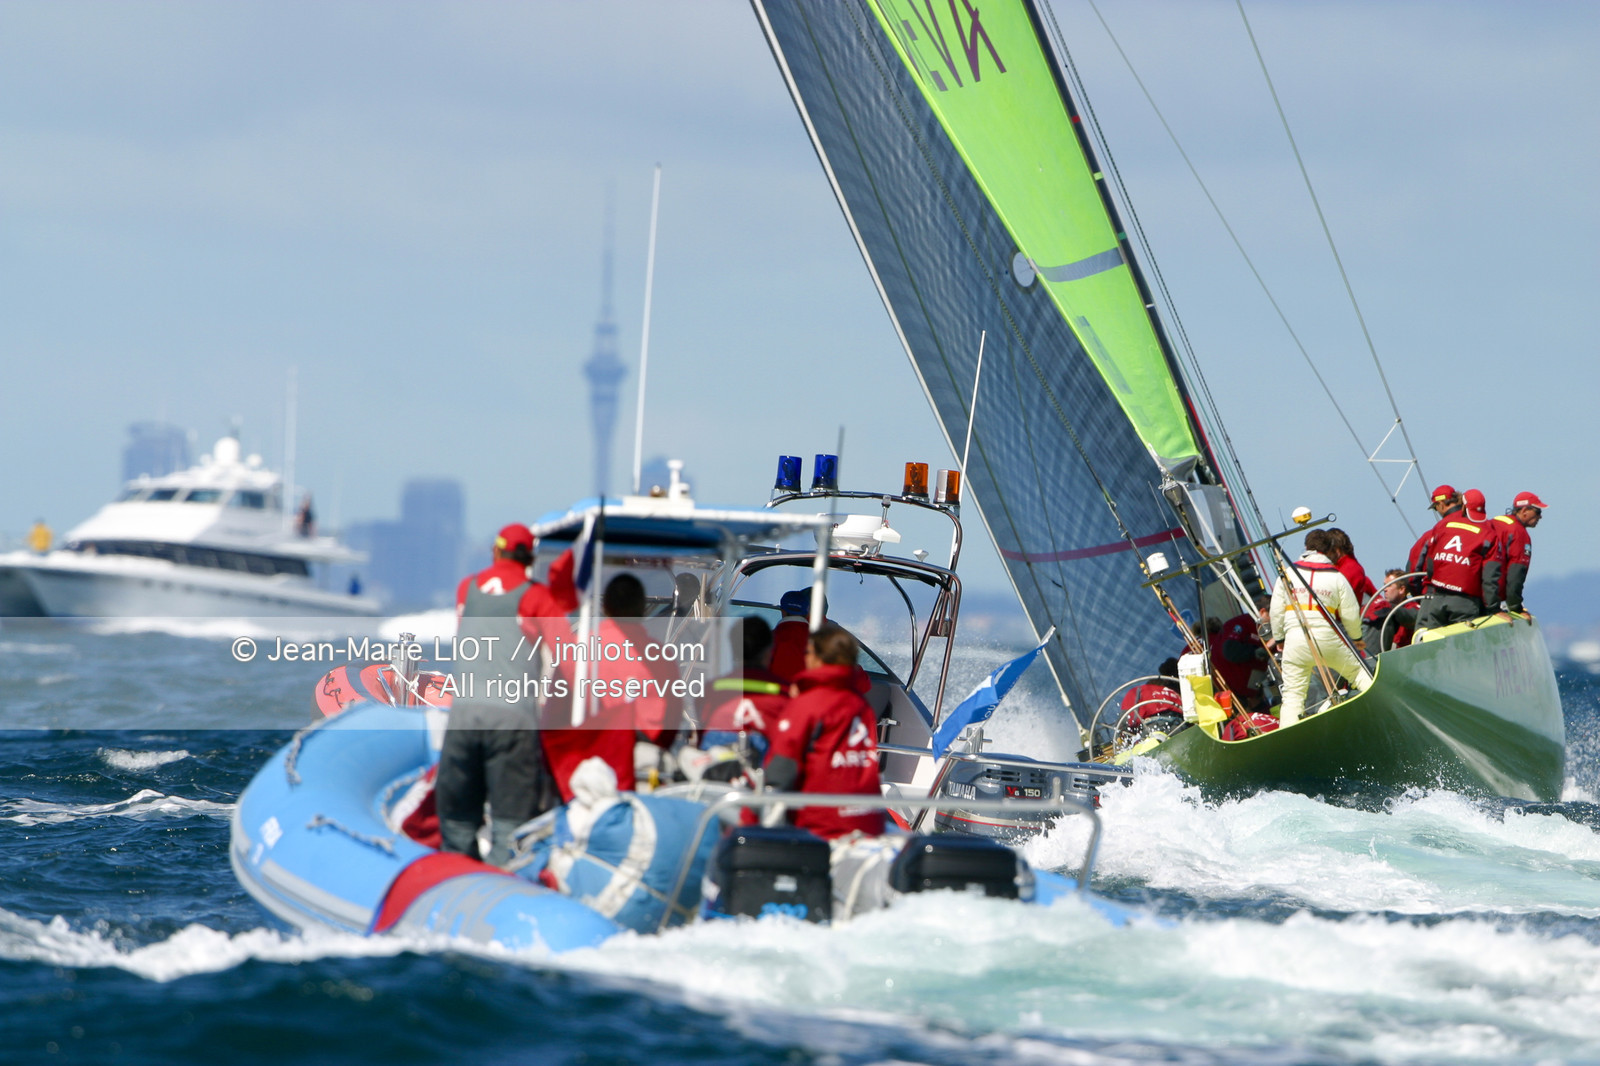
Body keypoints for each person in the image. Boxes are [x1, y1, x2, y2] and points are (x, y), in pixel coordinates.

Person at [437, 523, 554, 867]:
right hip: (513, 718)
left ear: (496, 551)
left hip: (464, 716)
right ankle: (503, 883)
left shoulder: (466, 589)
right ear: (530, 558)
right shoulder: (537, 596)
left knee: (457, 819)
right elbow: (568, 657)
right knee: (510, 824)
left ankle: (456, 879)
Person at [540, 572, 681, 800]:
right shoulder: (662, 658)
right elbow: (671, 721)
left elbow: (554, 718)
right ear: (642, 608)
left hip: (589, 767)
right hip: (645, 769)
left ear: (605, 607)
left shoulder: (578, 651)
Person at [763, 622, 884, 839]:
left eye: (807, 652)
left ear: (819, 658)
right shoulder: (860, 705)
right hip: (866, 821)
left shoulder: (808, 703)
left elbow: (780, 770)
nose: (805, 658)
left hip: (821, 825)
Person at [1268, 529, 1369, 725]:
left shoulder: (1288, 574)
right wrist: (1357, 638)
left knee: (1293, 696)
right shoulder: (1336, 576)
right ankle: (1383, 705)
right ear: (1328, 549)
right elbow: (1350, 612)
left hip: (1295, 640)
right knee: (1358, 674)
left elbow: (1276, 611)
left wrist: (1279, 638)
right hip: (1328, 639)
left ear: (1306, 547)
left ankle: (1288, 736)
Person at [699, 615, 787, 763]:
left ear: (733, 649)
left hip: (714, 774)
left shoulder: (710, 690)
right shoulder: (785, 693)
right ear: (769, 652)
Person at [1416, 489, 1502, 629]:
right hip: (1465, 602)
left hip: (1437, 598)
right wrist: (1493, 609)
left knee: (1433, 642)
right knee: (1463, 646)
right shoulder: (1488, 534)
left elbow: (1430, 564)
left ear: (1463, 506)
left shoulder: (1442, 525)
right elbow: (1490, 577)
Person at [1490, 491, 1547, 614]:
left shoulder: (1494, 522)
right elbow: (1515, 575)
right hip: (1493, 600)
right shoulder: (1519, 534)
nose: (1540, 517)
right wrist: (1516, 607)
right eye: (1538, 512)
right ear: (1524, 510)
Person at [1209, 599, 1270, 710]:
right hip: (1234, 692)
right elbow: (1229, 650)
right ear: (1262, 612)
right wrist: (1255, 651)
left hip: (1252, 690)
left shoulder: (1264, 629)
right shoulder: (1242, 624)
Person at [1406, 485, 1464, 592]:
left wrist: (1421, 597)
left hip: (1436, 596)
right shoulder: (1480, 529)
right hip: (1471, 597)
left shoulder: (1432, 534)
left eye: (1436, 508)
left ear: (1441, 504)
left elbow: (1412, 572)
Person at [769, 588, 823, 682]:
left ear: (783, 611)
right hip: (809, 694)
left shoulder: (768, 638)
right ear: (807, 613)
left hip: (776, 693)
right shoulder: (820, 640)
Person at [1118, 657, 1183, 732]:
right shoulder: (1176, 694)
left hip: (1153, 727)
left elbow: (1127, 720)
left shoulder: (1139, 691)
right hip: (1180, 725)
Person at [1361, 569, 1415, 651]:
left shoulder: (1413, 608)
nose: (1384, 589)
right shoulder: (1381, 610)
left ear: (1401, 589)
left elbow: (1417, 617)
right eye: (1384, 585)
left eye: (1389, 585)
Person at [1324, 528, 1377, 607]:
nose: (1325, 555)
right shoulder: (1348, 567)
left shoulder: (1350, 569)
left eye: (1327, 551)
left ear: (1337, 551)